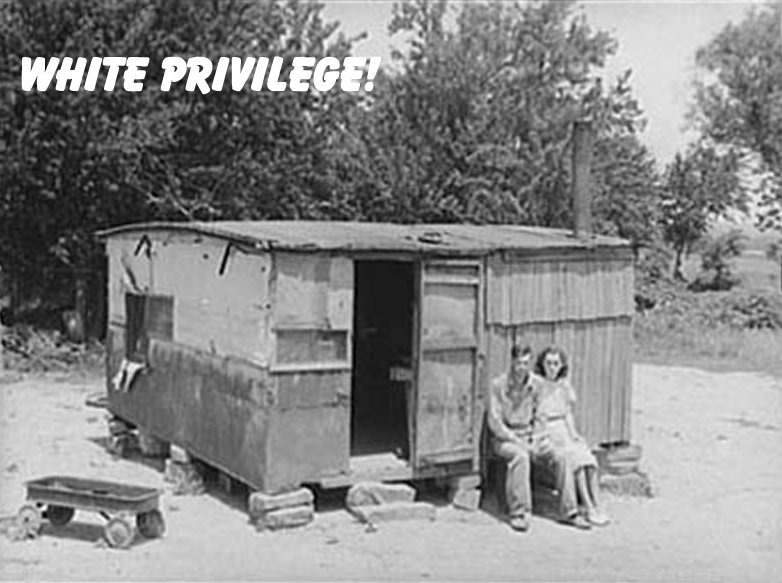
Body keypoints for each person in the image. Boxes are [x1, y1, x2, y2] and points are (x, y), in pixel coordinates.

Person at [488, 344, 590, 531]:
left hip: (531, 436)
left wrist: (536, 439)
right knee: (521, 456)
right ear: (512, 362)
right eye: (518, 363)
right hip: (506, 439)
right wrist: (516, 440)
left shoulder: (536, 385)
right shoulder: (498, 385)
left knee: (562, 456)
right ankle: (520, 513)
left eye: (525, 363)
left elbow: (540, 416)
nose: (522, 368)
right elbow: (495, 422)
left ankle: (569, 511)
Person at [534, 346, 611, 527]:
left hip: (563, 428)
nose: (552, 368)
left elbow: (567, 413)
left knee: (587, 458)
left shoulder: (563, 386)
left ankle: (597, 506)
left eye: (556, 363)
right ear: (542, 364)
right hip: (546, 431)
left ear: (562, 366)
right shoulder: (537, 384)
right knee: (574, 461)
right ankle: (587, 506)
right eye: (548, 363)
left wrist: (574, 434)